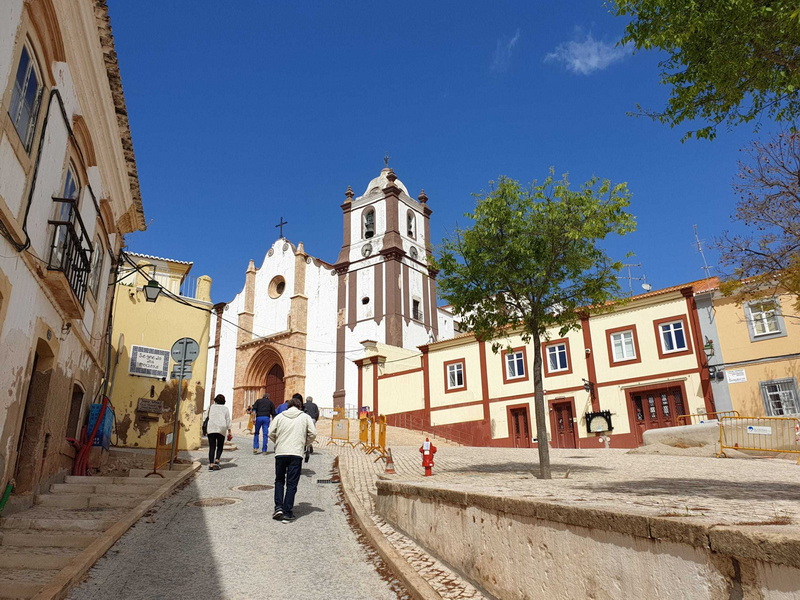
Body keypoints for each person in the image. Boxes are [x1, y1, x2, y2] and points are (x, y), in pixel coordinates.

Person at [268, 395, 316, 522]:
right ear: (300, 406)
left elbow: (270, 432)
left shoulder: (280, 416)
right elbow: (313, 433)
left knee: (279, 480)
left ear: (288, 406)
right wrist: (304, 443)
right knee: (292, 483)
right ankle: (287, 512)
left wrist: (278, 442)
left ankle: (278, 507)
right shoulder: (305, 417)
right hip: (296, 453)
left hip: (281, 452)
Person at [206, 394, 232, 471]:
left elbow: (205, 417)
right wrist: (229, 431)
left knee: (212, 447)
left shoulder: (210, 407)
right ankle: (217, 460)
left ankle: (211, 465)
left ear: (215, 400)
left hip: (211, 427)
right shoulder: (225, 409)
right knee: (220, 446)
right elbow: (228, 420)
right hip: (221, 428)